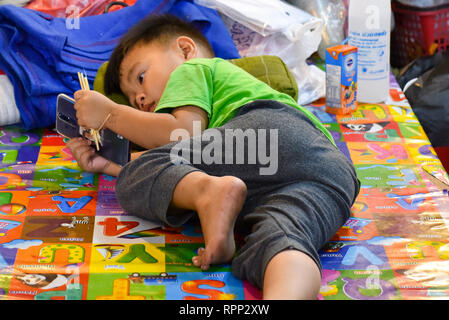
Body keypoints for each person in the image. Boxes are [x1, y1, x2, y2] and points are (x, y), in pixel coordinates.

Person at [66, 14, 360, 300]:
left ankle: (207, 191)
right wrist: (107, 163)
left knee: (140, 173)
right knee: (284, 240)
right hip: (331, 172)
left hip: (264, 130)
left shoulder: (191, 69)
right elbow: (187, 154)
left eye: (141, 78)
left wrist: (111, 113)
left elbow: (184, 132)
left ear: (184, 50)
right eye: (132, 101)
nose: (140, 100)